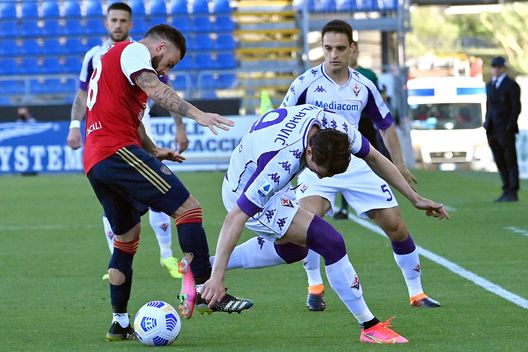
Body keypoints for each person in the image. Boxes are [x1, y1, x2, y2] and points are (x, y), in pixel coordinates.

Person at [227, 19, 438, 312]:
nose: (334, 54)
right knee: (309, 221)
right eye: (328, 48)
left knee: (396, 225)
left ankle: (417, 293)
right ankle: (315, 287)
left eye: (340, 48)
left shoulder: (364, 85)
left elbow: (386, 125)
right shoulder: (305, 83)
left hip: (355, 160)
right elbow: (283, 122)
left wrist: (399, 165)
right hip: (314, 162)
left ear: (353, 49)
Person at [203, 104, 449, 344]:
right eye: (321, 172)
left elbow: (374, 156)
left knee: (296, 249)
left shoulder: (338, 128)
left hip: (268, 173)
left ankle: (202, 269)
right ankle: (370, 326)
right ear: (309, 152)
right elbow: (235, 217)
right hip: (243, 188)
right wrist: (218, 279)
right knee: (330, 241)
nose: (322, 177)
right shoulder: (280, 162)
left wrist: (414, 198)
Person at [82, 24, 253, 341]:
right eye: (169, 63)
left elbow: (130, 118)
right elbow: (154, 87)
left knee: (126, 239)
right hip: (116, 150)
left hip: (96, 160)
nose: (165, 70)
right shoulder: (134, 51)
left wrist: (153, 150)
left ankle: (119, 322)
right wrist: (198, 114)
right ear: (160, 47)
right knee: (189, 209)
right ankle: (204, 288)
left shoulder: (111, 61)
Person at [66, 2, 187, 279]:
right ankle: (117, 260)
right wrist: (74, 125)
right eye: (114, 20)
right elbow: (83, 95)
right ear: (107, 23)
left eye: (123, 20)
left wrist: (180, 127)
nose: (118, 24)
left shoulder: (145, 52)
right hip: (106, 134)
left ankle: (167, 256)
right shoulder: (93, 55)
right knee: (112, 199)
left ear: (131, 24)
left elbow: (164, 89)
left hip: (140, 130)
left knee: (159, 194)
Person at [334, 39, 388, 220]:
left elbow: (381, 97)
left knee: (369, 162)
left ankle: (370, 202)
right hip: (344, 127)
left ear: (354, 51)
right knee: (341, 163)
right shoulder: (336, 75)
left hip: (365, 125)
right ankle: (342, 206)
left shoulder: (368, 75)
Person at [484, 56, 521, 202]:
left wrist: (509, 125)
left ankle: (512, 191)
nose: (495, 69)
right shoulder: (490, 85)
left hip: (505, 129)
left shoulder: (511, 85)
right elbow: (489, 106)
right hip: (492, 129)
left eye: (498, 66)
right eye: (494, 66)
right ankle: (506, 189)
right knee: (499, 161)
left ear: (503, 68)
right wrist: (487, 122)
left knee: (510, 160)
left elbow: (516, 107)